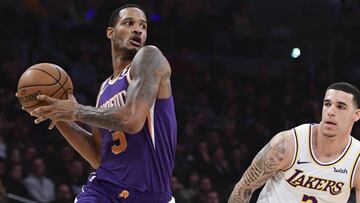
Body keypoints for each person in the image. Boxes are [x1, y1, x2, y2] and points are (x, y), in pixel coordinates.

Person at [28, 4, 177, 203]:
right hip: (104, 189)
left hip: (150, 195)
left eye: (143, 26)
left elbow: (132, 120)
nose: (138, 29)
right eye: (129, 23)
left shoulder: (150, 57)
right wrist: (59, 115)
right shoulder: (105, 88)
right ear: (110, 32)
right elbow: (99, 157)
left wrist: (76, 111)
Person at [228, 82, 360, 203]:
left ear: (357, 115)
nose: (331, 112)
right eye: (327, 104)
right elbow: (243, 188)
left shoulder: (357, 159)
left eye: (340, 107)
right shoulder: (287, 143)